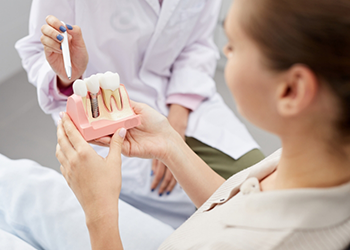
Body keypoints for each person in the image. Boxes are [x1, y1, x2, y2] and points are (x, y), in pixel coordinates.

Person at [56, 0, 350, 249]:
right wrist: (170, 145)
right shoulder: (311, 159)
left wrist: (100, 212)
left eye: (233, 46)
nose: (224, 52)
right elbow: (239, 209)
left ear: (291, 91)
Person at [15, 0, 264, 228]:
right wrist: (68, 74)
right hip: (103, 110)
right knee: (225, 214)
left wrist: (177, 118)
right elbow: (39, 52)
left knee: (259, 189)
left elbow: (197, 44)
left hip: (186, 100)